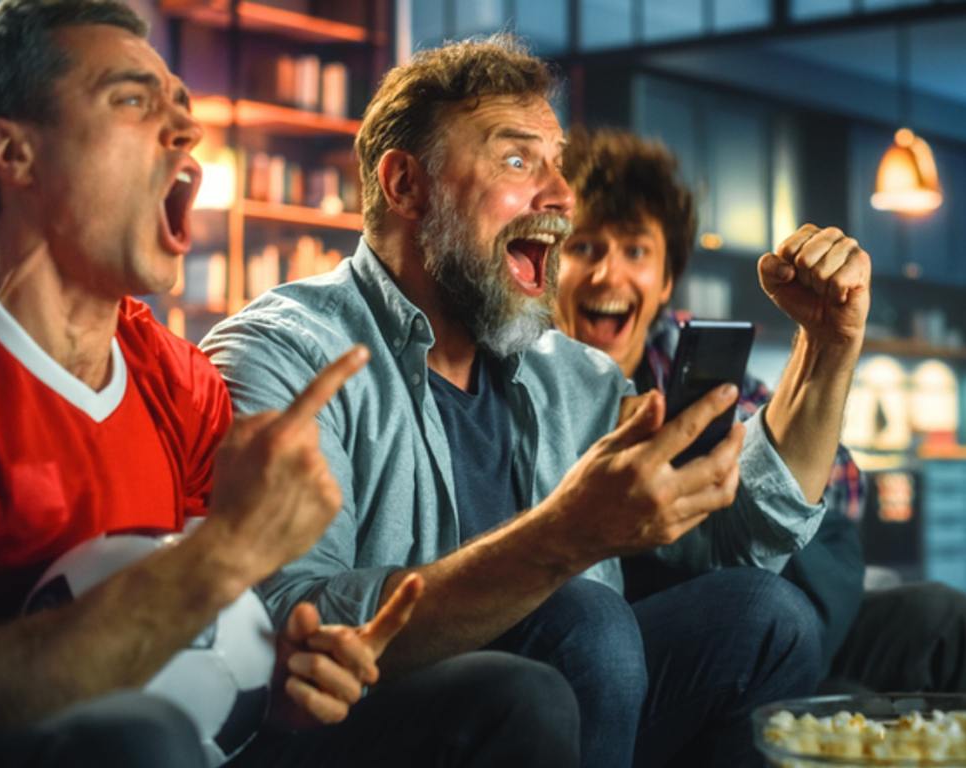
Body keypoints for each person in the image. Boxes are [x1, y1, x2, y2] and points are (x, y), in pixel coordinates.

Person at [200, 33, 857, 767]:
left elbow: (745, 540)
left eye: (557, 165)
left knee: (766, 617)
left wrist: (827, 349)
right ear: (405, 185)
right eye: (518, 160)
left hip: (561, 715)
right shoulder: (283, 353)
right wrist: (562, 538)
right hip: (355, 731)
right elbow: (275, 623)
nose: (562, 198)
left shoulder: (576, 377)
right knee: (584, 618)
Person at [0, 4, 581, 767]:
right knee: (138, 740)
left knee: (515, 696)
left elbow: (223, 642)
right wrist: (225, 554)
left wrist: (289, 673)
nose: (185, 133)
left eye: (181, 111)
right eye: (131, 101)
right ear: (14, 153)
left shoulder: (182, 382)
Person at [555, 126, 966, 694]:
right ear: (547, 266)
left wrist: (824, 351)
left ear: (667, 277)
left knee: (942, 618)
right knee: (764, 614)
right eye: (582, 247)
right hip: (674, 629)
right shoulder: (534, 376)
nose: (608, 273)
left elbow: (841, 483)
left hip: (787, 599)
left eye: (635, 250)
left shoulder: (690, 359)